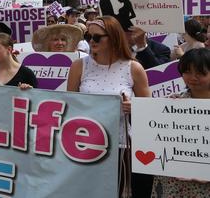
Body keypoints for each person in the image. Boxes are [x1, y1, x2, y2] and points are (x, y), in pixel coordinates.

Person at [67, 16, 151, 197]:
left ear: (113, 37)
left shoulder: (133, 68)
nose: (91, 41)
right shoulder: (79, 66)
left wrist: (133, 107)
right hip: (85, 144)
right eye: (89, 36)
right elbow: (70, 106)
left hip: (120, 147)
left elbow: (149, 108)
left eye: (97, 37)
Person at [151, 48, 210, 197]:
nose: (193, 78)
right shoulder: (172, 102)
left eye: (201, 73)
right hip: (173, 181)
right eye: (187, 72)